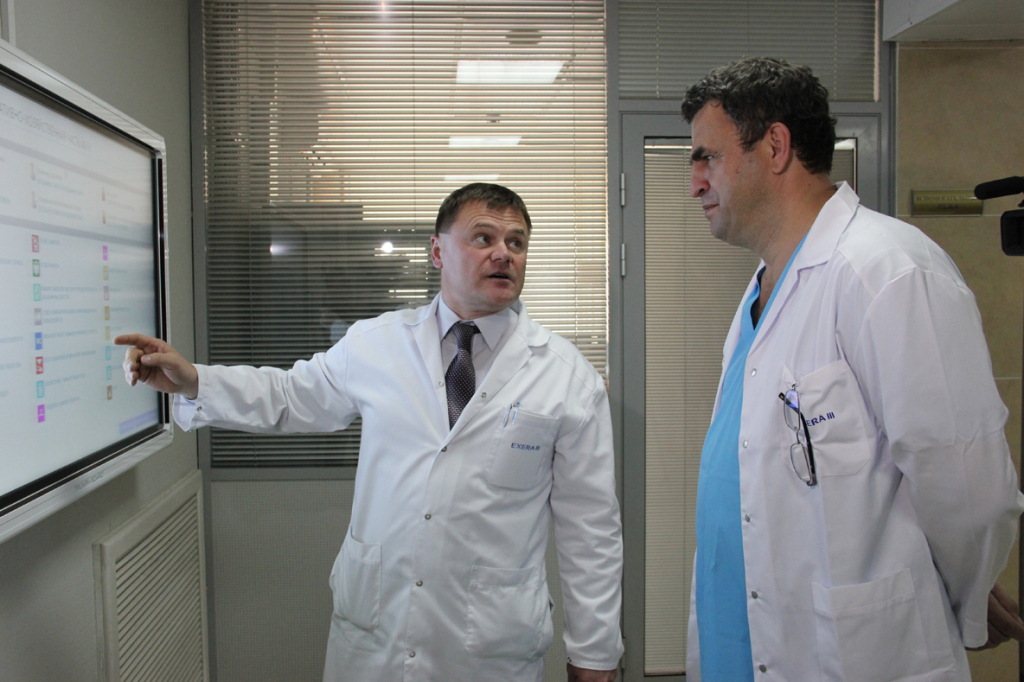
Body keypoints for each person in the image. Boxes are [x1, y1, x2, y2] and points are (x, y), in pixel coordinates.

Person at [117, 183, 623, 682]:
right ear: (437, 251)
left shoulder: (566, 378)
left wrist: (594, 653)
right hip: (375, 631)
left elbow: (591, 527)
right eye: (483, 237)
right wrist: (195, 380)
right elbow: (290, 396)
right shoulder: (377, 343)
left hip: (491, 646)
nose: (503, 254)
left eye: (516, 242)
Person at [681, 57, 1024, 681]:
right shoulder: (764, 287)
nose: (695, 183)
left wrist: (964, 603)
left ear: (776, 146)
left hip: (850, 653)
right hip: (744, 645)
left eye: (707, 157)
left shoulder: (887, 270)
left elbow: (969, 489)